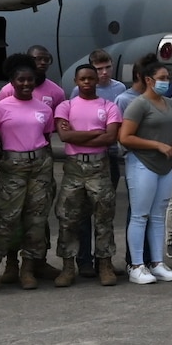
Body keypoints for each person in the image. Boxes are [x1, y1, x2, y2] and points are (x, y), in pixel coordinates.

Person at [0, 61, 57, 291]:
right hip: (13, 165)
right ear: (12, 82)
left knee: (36, 220)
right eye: (21, 80)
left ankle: (28, 269)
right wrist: (2, 163)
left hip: (39, 165)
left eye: (30, 80)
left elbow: (46, 139)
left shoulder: (44, 109)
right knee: (6, 219)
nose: (26, 84)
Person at [52, 63, 121, 287]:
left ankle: (105, 264)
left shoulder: (109, 106)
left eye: (91, 78)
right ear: (76, 81)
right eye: (83, 79)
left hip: (99, 167)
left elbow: (110, 138)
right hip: (74, 168)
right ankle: (68, 266)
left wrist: (77, 135)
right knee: (68, 218)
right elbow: (64, 136)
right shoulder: (65, 106)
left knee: (103, 217)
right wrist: (94, 133)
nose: (87, 82)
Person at [119, 56, 172, 285]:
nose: (166, 82)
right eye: (162, 78)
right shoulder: (138, 104)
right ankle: (137, 265)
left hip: (165, 165)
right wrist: (156, 145)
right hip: (142, 163)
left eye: (168, 78)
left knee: (158, 215)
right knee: (140, 215)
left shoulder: (171, 104)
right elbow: (125, 137)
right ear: (148, 80)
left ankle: (157, 262)